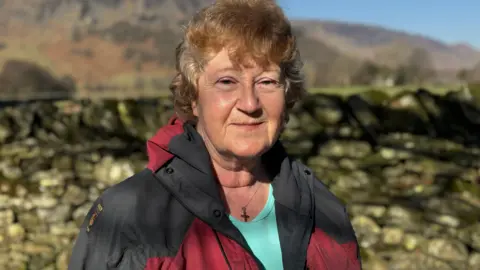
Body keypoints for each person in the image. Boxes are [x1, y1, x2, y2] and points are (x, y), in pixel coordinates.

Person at [68, 0, 361, 269]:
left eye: (267, 81)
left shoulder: (322, 209)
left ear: (287, 97)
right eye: (226, 81)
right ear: (194, 98)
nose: (249, 103)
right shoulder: (128, 216)